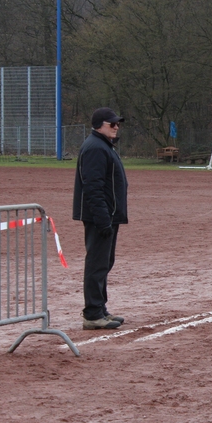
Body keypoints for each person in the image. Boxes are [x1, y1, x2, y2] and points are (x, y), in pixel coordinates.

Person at [72, 107, 129, 330]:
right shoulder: (96, 147)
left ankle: (100, 308)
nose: (116, 127)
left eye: (117, 123)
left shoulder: (103, 146)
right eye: (112, 123)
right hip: (101, 217)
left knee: (104, 263)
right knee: (97, 264)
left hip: (108, 215)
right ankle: (93, 313)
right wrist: (102, 219)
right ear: (99, 125)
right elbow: (93, 187)